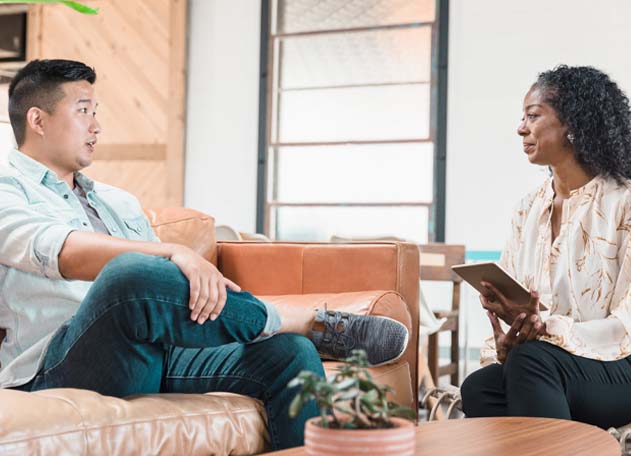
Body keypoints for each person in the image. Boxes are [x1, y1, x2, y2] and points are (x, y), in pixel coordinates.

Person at [0, 59, 409, 450]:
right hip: (58, 364)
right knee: (130, 273)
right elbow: (57, 250)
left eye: (96, 111)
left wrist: (175, 264)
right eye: (83, 110)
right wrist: (173, 251)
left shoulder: (117, 201)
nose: (97, 125)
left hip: (152, 354)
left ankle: (296, 333)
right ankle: (296, 319)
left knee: (291, 353)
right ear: (38, 120)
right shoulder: (8, 189)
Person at [461, 65, 631, 429]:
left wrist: (547, 330)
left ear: (572, 125)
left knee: (531, 362)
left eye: (533, 115)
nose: (521, 128)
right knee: (479, 386)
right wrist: (512, 333)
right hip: (549, 361)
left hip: (625, 364)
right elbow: (527, 312)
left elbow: (629, 325)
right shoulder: (528, 208)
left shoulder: (629, 203)